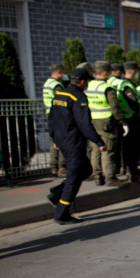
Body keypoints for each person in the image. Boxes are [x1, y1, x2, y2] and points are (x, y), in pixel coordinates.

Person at [47, 68, 107, 224]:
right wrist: (98, 141)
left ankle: (57, 193)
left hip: (63, 140)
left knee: (85, 170)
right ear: (82, 81)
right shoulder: (78, 96)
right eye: (87, 81)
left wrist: (54, 137)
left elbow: (51, 118)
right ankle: (61, 213)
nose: (87, 84)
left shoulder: (60, 94)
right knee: (73, 177)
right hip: (73, 142)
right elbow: (84, 123)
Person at [85, 61, 129, 187]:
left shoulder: (89, 85)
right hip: (106, 122)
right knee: (108, 149)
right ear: (104, 73)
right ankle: (110, 177)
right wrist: (122, 122)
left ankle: (97, 176)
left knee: (95, 149)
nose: (110, 74)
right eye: (109, 72)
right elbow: (115, 107)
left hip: (92, 121)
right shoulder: (107, 88)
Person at [43, 63, 67, 177]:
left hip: (50, 113)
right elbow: (60, 101)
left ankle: (53, 167)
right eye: (63, 72)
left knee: (54, 141)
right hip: (58, 114)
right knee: (62, 140)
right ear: (58, 72)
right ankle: (62, 167)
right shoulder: (56, 85)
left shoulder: (47, 83)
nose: (64, 75)